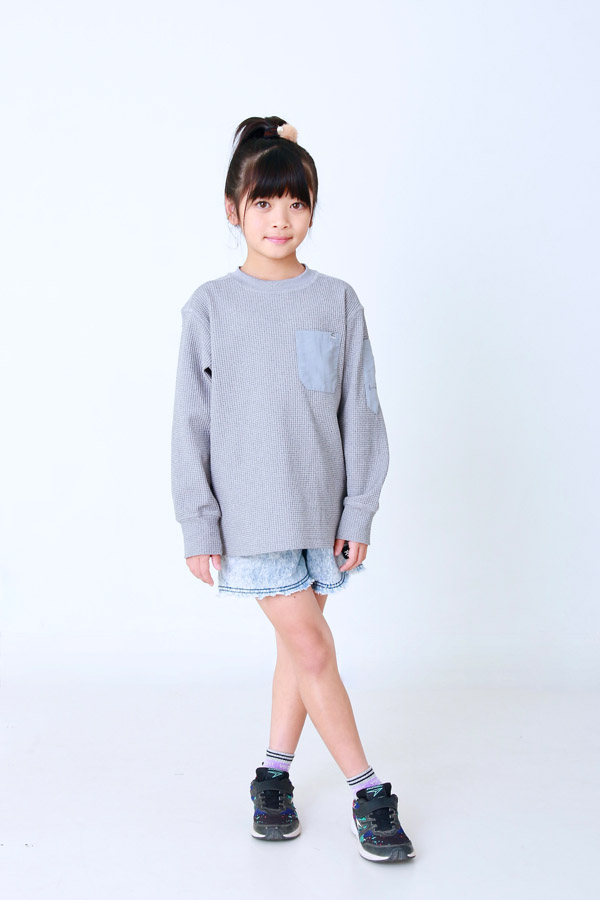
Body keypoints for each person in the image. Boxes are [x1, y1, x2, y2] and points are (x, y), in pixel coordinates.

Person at [170, 116, 415, 864]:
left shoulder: (335, 300)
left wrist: (358, 508)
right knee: (311, 645)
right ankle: (369, 790)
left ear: (312, 209)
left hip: (319, 512)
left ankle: (272, 778)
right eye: (264, 202)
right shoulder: (209, 306)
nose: (281, 219)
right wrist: (199, 522)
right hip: (250, 515)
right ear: (232, 209)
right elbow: (191, 422)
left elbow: (360, 410)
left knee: (298, 648)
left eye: (296, 202)